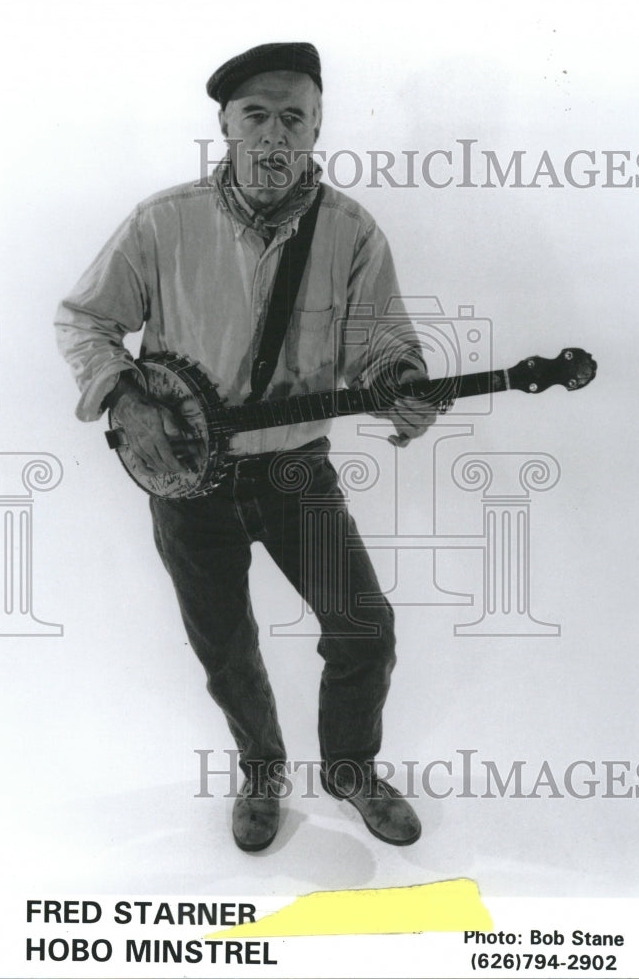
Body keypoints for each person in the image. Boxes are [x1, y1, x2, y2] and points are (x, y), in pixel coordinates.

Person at [55, 42, 436, 852]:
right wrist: (125, 395)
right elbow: (85, 319)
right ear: (224, 123)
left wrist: (402, 380)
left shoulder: (351, 232)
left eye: (292, 117)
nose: (273, 133)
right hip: (188, 486)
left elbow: (382, 342)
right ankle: (263, 772)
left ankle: (351, 770)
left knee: (363, 627)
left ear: (318, 127)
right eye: (256, 114)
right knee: (224, 646)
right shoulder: (163, 222)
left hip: (297, 473)